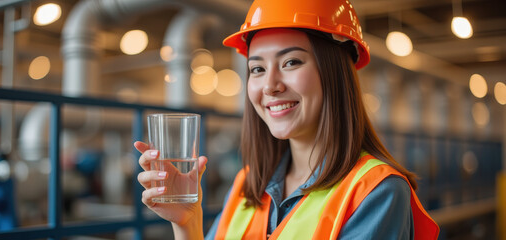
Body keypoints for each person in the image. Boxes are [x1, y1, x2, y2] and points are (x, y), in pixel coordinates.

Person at [135, 0, 440, 239]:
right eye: (257, 69)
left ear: (334, 72)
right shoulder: (249, 182)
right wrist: (187, 223)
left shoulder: (375, 192)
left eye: (291, 62)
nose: (270, 85)